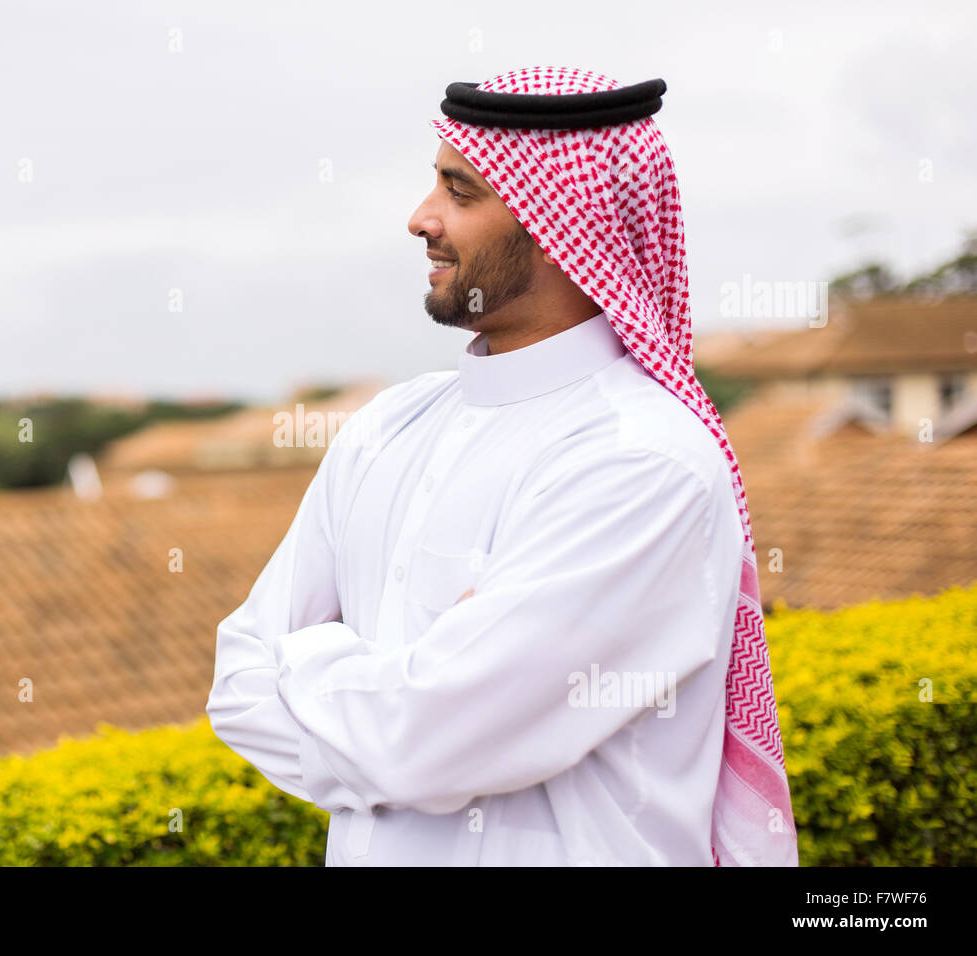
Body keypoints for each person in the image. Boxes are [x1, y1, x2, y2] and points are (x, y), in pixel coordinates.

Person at [206, 66, 798, 866]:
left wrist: (310, 660)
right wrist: (398, 687)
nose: (421, 219)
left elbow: (422, 739)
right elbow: (239, 679)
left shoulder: (644, 462)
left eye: (461, 191)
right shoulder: (387, 427)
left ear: (565, 224)